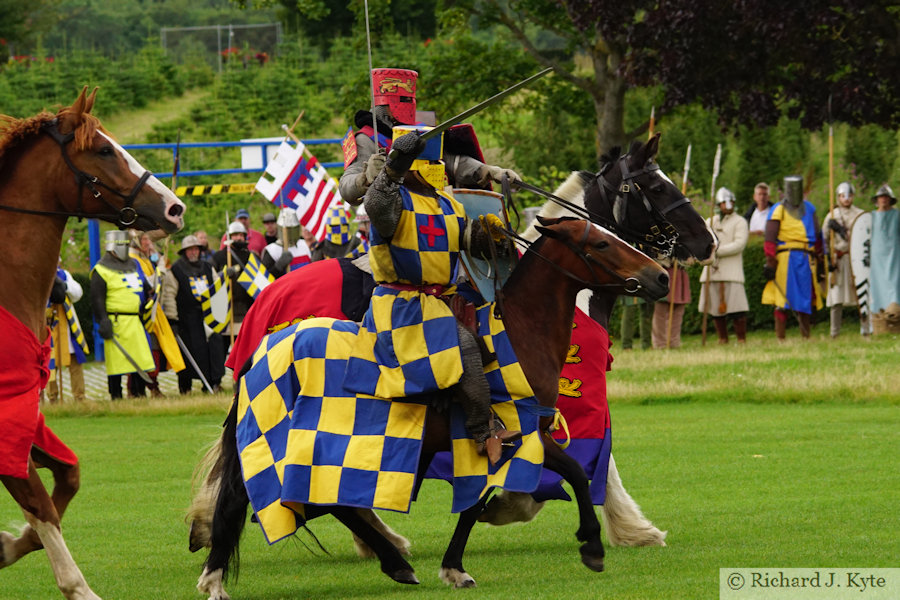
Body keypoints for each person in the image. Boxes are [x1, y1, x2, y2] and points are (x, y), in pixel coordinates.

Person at [344, 127, 519, 464]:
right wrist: (394, 164)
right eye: (431, 161)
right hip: (403, 306)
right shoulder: (395, 201)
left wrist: (489, 238)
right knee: (463, 347)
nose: (439, 167)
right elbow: (374, 202)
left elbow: (462, 240)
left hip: (441, 302)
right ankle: (483, 432)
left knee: (490, 339)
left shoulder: (447, 203)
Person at [338, 67, 519, 206]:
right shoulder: (367, 139)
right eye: (405, 100)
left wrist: (488, 171)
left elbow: (453, 162)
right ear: (385, 104)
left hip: (434, 210)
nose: (411, 105)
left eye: (411, 99)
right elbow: (346, 187)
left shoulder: (420, 131)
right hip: (391, 219)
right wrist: (364, 178)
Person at [90, 230, 155, 400]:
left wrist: (152, 292)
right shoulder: (101, 270)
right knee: (117, 364)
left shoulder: (134, 265)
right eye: (121, 245)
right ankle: (116, 396)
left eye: (126, 244)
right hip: (116, 322)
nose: (124, 248)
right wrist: (103, 320)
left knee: (140, 359)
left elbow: (146, 286)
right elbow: (97, 299)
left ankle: (139, 394)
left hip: (135, 320)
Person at [761, 175, 824, 340]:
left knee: (806, 299)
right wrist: (770, 261)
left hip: (806, 258)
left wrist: (821, 260)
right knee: (782, 300)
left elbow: (817, 238)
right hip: (785, 259)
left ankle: (806, 336)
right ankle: (781, 338)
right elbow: (770, 239)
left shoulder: (810, 209)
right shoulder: (778, 209)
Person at [163, 235, 226, 394]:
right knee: (188, 354)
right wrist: (173, 319)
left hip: (208, 318)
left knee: (213, 350)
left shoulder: (207, 267)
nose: (194, 252)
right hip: (186, 320)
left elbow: (217, 289)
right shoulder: (176, 270)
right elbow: (169, 295)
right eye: (190, 249)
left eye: (196, 249)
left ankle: (212, 384)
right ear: (184, 252)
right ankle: (185, 388)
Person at [698, 187, 750, 343]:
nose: (727, 206)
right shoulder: (710, 221)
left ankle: (741, 339)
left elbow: (739, 244)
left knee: (737, 309)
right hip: (712, 272)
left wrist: (716, 251)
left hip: (732, 272)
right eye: (724, 203)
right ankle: (722, 338)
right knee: (714, 309)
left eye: (730, 203)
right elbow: (702, 241)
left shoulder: (740, 221)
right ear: (719, 204)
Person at [822, 181, 864, 337]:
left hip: (855, 259)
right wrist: (828, 260)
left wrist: (840, 230)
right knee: (836, 298)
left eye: (849, 196)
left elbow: (861, 237)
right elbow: (825, 240)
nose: (846, 199)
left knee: (861, 296)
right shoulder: (832, 216)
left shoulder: (860, 214)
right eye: (842, 196)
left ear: (853, 197)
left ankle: (865, 329)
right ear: (839, 197)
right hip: (838, 260)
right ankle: (834, 333)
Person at [213, 221, 260, 349]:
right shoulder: (219, 257)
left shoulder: (251, 257)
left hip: (245, 308)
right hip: (225, 310)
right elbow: (210, 279)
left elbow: (259, 281)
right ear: (229, 237)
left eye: (241, 235)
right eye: (235, 235)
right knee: (222, 349)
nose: (239, 237)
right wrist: (222, 275)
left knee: (244, 348)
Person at [45, 262, 87, 403]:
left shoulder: (64, 275)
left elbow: (77, 292)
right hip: (49, 326)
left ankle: (79, 397)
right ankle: (53, 398)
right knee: (50, 363)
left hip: (66, 326)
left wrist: (64, 286)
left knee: (75, 361)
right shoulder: (40, 274)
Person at [869, 184, 900, 318]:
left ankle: (895, 316)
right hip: (876, 259)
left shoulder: (897, 215)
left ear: (890, 199)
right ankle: (878, 318)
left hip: (895, 257)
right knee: (876, 287)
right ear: (877, 199)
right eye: (881, 197)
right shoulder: (871, 217)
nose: (883, 199)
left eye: (886, 197)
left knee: (894, 285)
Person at [260, 207, 313, 277]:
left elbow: (311, 269)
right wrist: (278, 266)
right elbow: (264, 278)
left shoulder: (303, 244)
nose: (290, 233)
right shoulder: (272, 251)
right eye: (288, 229)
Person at [651, 265, 691, 348]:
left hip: (680, 273)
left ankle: (674, 342)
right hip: (664, 273)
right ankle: (660, 343)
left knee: (678, 312)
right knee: (660, 312)